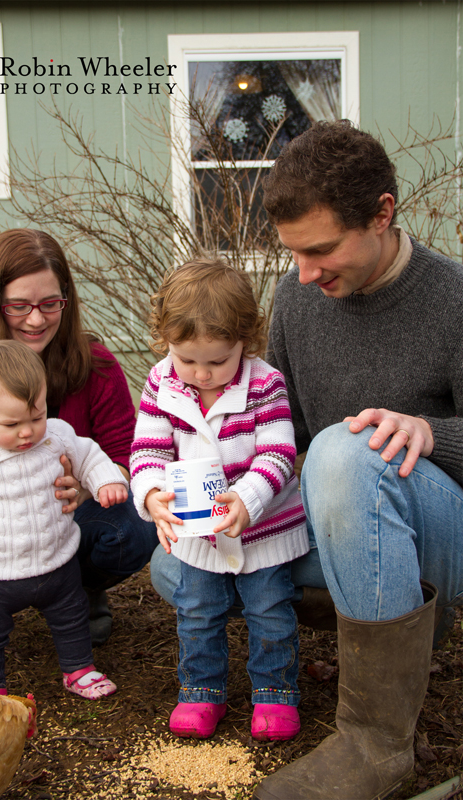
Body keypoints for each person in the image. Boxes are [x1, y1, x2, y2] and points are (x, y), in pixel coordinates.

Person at [248, 120, 463, 800]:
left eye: (320, 251)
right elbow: (287, 432)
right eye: (293, 256)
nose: (305, 275)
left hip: (446, 529)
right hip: (356, 523)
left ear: (380, 213)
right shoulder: (294, 299)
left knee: (347, 450)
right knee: (179, 563)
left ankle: (377, 746)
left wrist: (429, 432)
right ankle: (382, 612)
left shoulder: (454, 298)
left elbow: (335, 447)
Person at [0, 228, 157, 666]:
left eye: (50, 303)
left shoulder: (96, 365)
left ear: (66, 299)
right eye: (19, 305)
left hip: (64, 519)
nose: (36, 319)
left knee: (133, 527)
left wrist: (90, 487)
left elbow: (127, 457)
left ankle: (77, 588)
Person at [130, 258, 309, 741]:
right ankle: (200, 692)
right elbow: (147, 450)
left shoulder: (264, 383)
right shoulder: (162, 382)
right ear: (167, 340)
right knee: (197, 612)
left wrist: (248, 499)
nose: (202, 374)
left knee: (269, 611)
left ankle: (275, 695)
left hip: (262, 529)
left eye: (217, 361)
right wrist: (151, 497)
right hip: (195, 531)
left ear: (244, 343)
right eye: (188, 360)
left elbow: (279, 453)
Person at [0, 340, 127, 698]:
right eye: (12, 423)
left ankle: (78, 668)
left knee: (71, 616)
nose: (27, 432)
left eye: (36, 416)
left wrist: (106, 480)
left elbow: (89, 456)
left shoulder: (55, 434)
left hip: (56, 560)